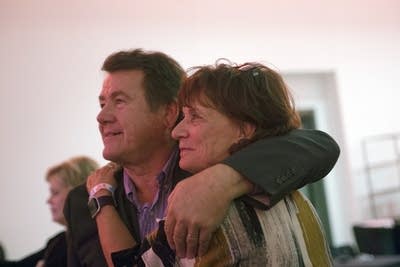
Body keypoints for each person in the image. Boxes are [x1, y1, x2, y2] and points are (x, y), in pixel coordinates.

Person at [63, 49, 340, 267]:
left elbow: (320, 144)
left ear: (169, 112)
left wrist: (224, 179)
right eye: (102, 103)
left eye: (120, 101)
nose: (102, 116)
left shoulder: (211, 177)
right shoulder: (80, 202)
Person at [136, 61, 334, 266]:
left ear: (244, 130)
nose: (176, 132)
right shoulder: (299, 203)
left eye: (195, 117)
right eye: (184, 116)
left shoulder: (200, 220)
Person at [0, 156, 99, 267]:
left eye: (55, 192)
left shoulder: (96, 241)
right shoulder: (58, 242)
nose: (48, 200)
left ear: (77, 194)